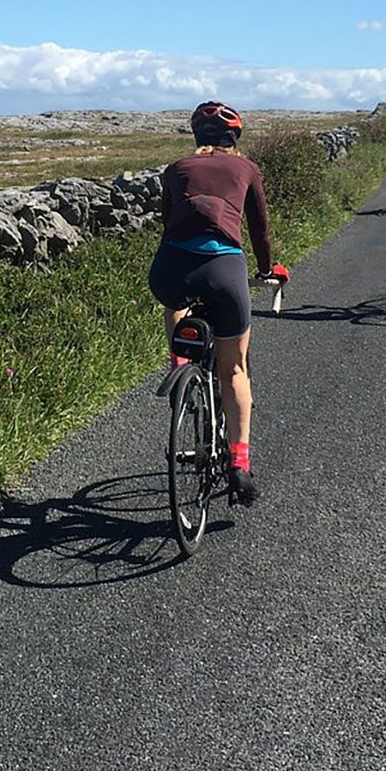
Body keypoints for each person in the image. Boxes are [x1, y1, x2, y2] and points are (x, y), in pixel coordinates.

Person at [149, 101, 286, 506]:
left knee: (174, 299)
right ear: (235, 137)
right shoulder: (246, 169)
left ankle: (179, 364)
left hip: (170, 267)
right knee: (235, 369)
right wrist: (267, 269)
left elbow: (168, 220)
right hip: (223, 270)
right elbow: (259, 231)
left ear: (197, 136)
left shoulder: (175, 169)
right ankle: (239, 467)